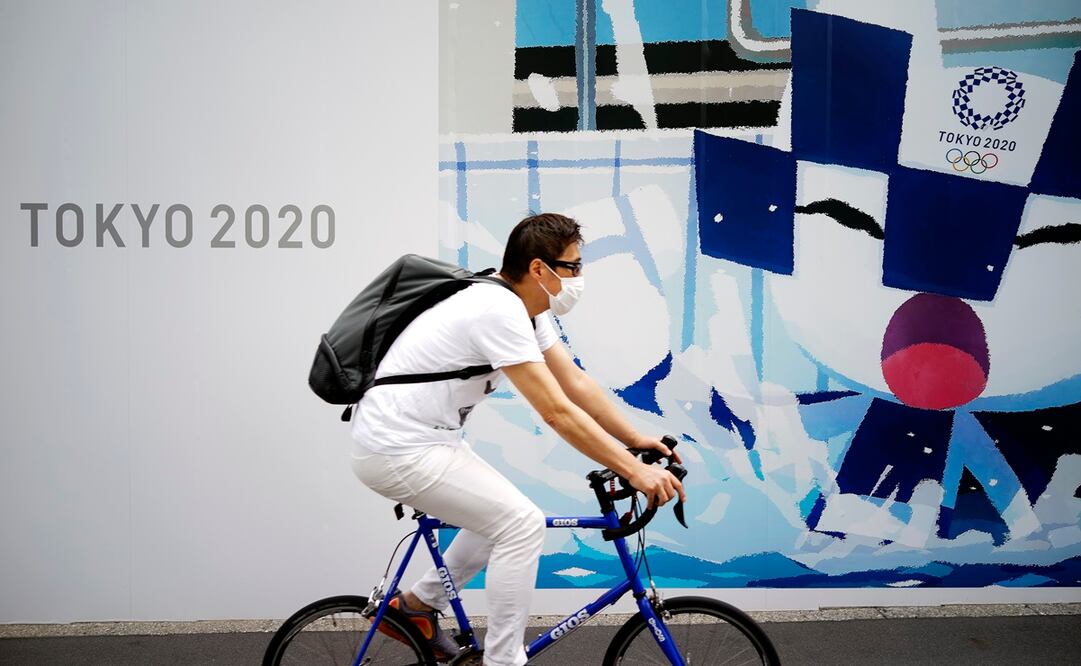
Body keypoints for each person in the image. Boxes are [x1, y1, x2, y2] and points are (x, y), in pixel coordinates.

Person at [350, 213, 685, 666]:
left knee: (499, 514)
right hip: (395, 447)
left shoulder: (524, 307)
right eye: (573, 266)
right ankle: (504, 661)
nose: (579, 277)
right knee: (522, 523)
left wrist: (636, 439)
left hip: (431, 441)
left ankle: (416, 607)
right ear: (538, 269)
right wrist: (634, 471)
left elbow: (574, 383)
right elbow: (555, 412)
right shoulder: (497, 310)